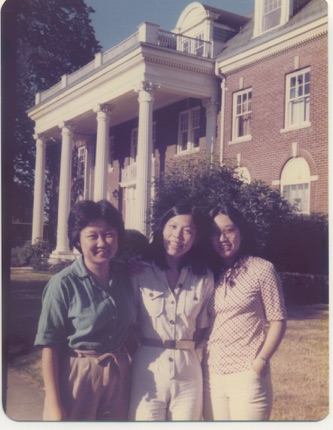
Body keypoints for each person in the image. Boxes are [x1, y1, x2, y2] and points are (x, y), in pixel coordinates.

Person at [35, 200, 136, 421]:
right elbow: (49, 345)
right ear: (78, 241)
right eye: (93, 236)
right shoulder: (63, 284)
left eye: (109, 234)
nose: (102, 242)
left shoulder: (126, 276)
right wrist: (53, 403)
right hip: (78, 376)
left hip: (119, 376)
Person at [127, 203, 214, 421]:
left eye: (187, 231)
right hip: (148, 370)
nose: (178, 236)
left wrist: (186, 348)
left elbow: (203, 327)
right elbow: (128, 323)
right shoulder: (140, 271)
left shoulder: (204, 276)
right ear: (162, 229)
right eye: (173, 227)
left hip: (188, 372)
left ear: (195, 238)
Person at [202, 204, 287, 421]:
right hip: (211, 375)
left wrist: (261, 362)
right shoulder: (208, 272)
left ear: (241, 231)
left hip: (247, 375)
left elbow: (278, 320)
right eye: (215, 233)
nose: (222, 238)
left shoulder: (261, 269)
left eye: (229, 230)